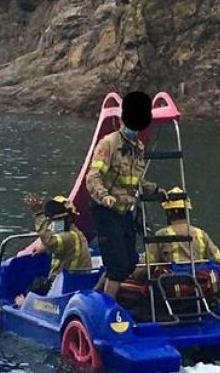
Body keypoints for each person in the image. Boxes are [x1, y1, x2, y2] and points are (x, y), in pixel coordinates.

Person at [85, 90, 160, 300]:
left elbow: (138, 179)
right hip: (106, 210)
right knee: (117, 264)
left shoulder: (138, 148)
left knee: (129, 262)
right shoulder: (108, 144)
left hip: (125, 211)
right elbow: (93, 176)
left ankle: (95, 296)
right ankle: (107, 304)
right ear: (121, 120)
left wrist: (155, 190)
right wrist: (104, 196)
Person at [19, 193, 90, 300]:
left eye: (56, 221)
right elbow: (54, 245)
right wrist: (43, 248)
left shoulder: (68, 237)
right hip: (75, 281)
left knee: (37, 285)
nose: (53, 224)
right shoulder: (77, 234)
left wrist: (38, 214)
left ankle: (23, 304)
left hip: (65, 285)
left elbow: (50, 241)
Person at [145, 187, 220, 269]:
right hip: (199, 280)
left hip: (172, 280)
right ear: (186, 210)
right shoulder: (201, 234)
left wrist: (134, 273)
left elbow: (147, 265)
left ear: (168, 212)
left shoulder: (161, 235)